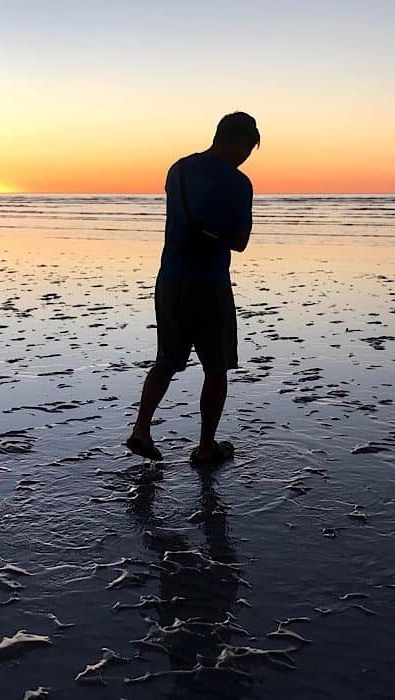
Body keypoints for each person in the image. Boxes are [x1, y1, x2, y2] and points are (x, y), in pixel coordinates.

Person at [125, 112, 259, 467]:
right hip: (209, 284)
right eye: (247, 148)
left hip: (170, 280)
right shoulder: (238, 182)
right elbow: (241, 242)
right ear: (240, 142)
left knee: (166, 361)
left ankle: (141, 429)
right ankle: (205, 447)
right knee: (216, 368)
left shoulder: (178, 169)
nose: (246, 156)